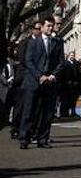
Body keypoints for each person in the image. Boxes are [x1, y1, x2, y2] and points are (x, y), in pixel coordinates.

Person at [19, 17, 63, 148]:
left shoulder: (57, 42)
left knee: (47, 112)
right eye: (48, 26)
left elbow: (61, 61)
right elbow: (29, 61)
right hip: (34, 81)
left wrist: (53, 75)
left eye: (52, 26)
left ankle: (43, 139)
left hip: (50, 82)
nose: (50, 28)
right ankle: (24, 138)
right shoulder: (33, 42)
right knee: (29, 111)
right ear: (42, 27)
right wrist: (40, 76)